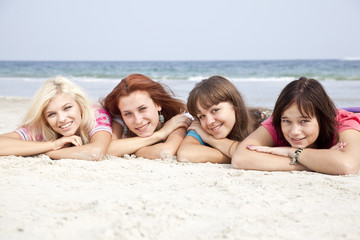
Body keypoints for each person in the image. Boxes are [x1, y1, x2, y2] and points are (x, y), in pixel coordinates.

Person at [232, 77, 360, 175]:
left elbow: (347, 165)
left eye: (304, 121)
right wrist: (315, 163)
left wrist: (291, 152)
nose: (294, 132)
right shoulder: (276, 122)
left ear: (322, 118)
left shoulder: (344, 122)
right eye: (286, 121)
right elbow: (240, 158)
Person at [0, 76, 112, 161]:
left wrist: (44, 152)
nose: (61, 119)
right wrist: (53, 145)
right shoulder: (43, 127)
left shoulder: (96, 115)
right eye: (51, 114)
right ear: (45, 119)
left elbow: (96, 152)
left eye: (67, 108)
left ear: (80, 106)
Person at [177, 75, 272, 163]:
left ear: (234, 105)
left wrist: (210, 139)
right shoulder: (200, 127)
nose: (209, 122)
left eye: (215, 110)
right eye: (202, 116)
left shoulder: (267, 122)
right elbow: (186, 153)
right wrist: (239, 156)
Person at [102, 73, 191, 160]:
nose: (138, 121)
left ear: (158, 104)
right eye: (128, 114)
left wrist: (130, 150)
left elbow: (166, 152)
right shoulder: (120, 120)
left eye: (142, 109)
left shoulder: (177, 121)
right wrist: (161, 134)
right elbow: (106, 148)